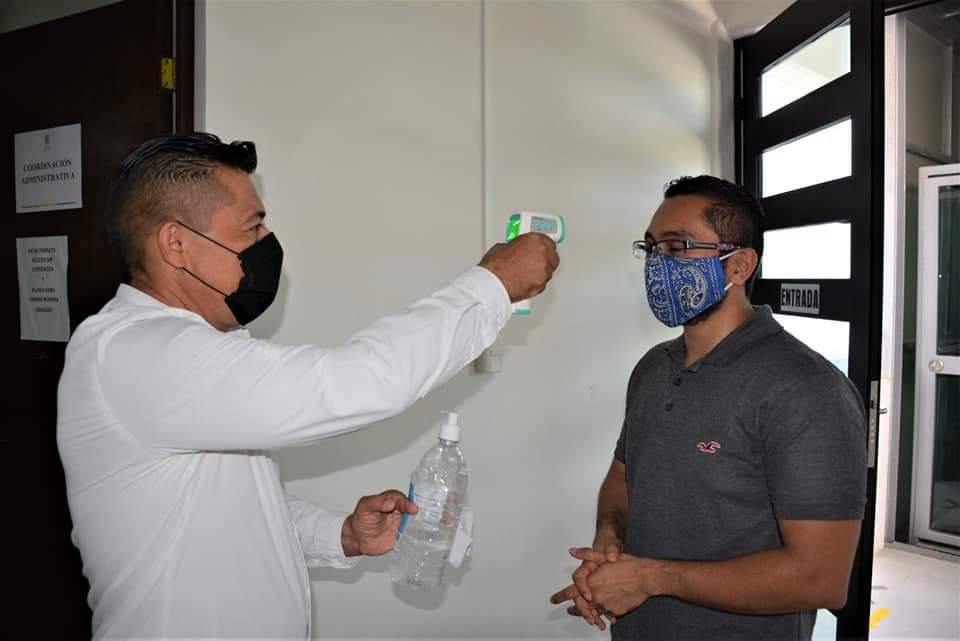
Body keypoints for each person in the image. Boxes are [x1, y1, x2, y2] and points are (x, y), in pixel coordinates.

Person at [56, 133, 559, 640]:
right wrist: (492, 285)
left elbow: (229, 506)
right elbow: (359, 383)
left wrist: (341, 535)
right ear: (176, 244)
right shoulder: (140, 355)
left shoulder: (186, 351)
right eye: (251, 226)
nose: (267, 241)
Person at [550, 175, 866, 641]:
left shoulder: (807, 389)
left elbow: (820, 578)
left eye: (677, 246)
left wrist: (650, 578)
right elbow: (622, 478)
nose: (658, 263)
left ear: (739, 265)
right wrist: (610, 541)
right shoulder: (653, 367)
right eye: (650, 247)